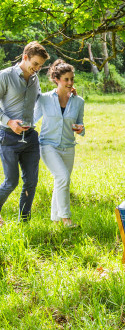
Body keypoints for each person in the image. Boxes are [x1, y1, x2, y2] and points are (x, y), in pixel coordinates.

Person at [0, 42, 49, 224]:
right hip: (8, 137)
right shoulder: (5, 76)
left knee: (31, 182)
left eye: (40, 66)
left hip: (30, 138)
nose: (37, 68)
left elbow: (40, 98)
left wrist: (64, 93)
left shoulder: (35, 78)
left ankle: (24, 223)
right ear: (25, 57)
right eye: (35, 64)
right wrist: (10, 122)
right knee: (11, 182)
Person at [34, 60, 85, 227]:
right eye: (66, 79)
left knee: (60, 180)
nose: (70, 83)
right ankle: (66, 219)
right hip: (48, 145)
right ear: (57, 79)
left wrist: (80, 129)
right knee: (63, 177)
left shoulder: (79, 102)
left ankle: (55, 220)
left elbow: (80, 125)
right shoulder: (44, 99)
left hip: (68, 147)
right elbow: (32, 120)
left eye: (72, 79)